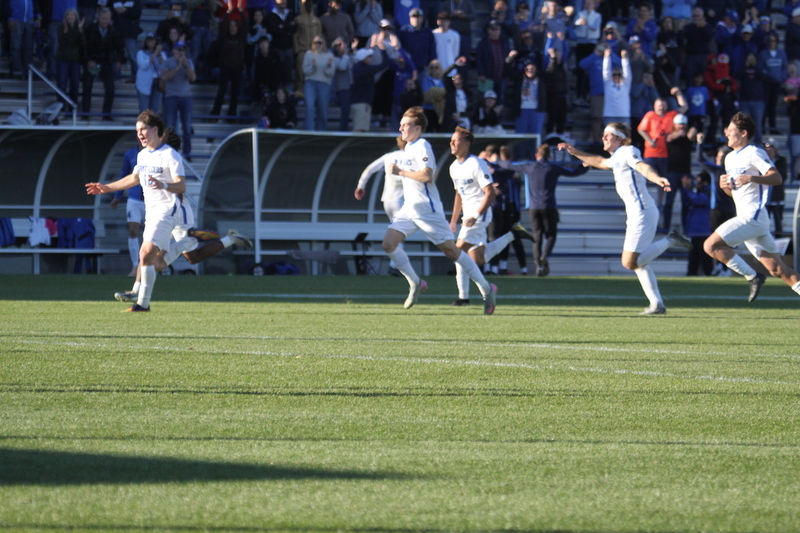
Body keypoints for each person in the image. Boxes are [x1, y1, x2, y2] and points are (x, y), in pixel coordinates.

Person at [86, 112, 251, 311]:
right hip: (153, 212)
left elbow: (181, 186)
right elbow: (134, 178)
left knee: (146, 252)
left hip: (169, 210)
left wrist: (162, 184)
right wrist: (107, 187)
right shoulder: (142, 155)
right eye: (137, 131)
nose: (139, 134)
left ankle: (141, 300)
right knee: (159, 260)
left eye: (143, 129)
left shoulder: (170, 155)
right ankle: (201, 241)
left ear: (156, 130)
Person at [558, 123, 692, 315]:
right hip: (637, 213)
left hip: (643, 212)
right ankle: (657, 304)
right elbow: (599, 161)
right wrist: (574, 151)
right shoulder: (616, 156)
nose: (603, 138)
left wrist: (656, 178)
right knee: (638, 263)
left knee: (630, 263)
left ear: (619, 138)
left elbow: (642, 166)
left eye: (608, 135)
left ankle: (670, 240)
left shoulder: (629, 150)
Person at [381, 108, 497, 314]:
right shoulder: (408, 147)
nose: (400, 128)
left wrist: (399, 172)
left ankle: (486, 288)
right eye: (400, 124)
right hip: (410, 208)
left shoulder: (422, 145)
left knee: (453, 252)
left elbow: (428, 176)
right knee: (388, 244)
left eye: (405, 125)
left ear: (417, 128)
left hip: (427, 210)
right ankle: (415, 283)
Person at [703, 112, 800, 302]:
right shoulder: (729, 158)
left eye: (731, 130)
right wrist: (726, 188)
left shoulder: (754, 152)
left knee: (710, 245)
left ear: (744, 133)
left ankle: (753, 276)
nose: (727, 134)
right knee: (778, 269)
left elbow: (777, 178)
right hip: (752, 220)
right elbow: (737, 193)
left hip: (752, 217)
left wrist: (752, 177)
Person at [448, 128, 534, 304]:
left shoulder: (476, 163)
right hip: (467, 217)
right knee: (478, 258)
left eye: (456, 140)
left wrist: (476, 215)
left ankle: (468, 295)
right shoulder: (453, 167)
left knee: (457, 251)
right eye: (451, 140)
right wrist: (454, 220)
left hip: (479, 215)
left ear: (467, 143)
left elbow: (490, 193)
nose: (452, 143)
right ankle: (514, 234)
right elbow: (458, 194)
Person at [509, 143, 588, 277]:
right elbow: (573, 172)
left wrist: (496, 161)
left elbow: (509, 165)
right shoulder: (553, 167)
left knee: (537, 236)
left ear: (536, 155)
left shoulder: (530, 166)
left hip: (533, 208)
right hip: (549, 206)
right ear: (549, 156)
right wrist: (584, 166)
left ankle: (538, 266)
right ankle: (544, 256)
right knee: (551, 235)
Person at [354, 136, 406, 275]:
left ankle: (396, 264)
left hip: (387, 201)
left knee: (398, 231)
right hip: (401, 201)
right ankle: (394, 266)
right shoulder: (412, 157)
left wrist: (361, 186)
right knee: (400, 233)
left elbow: (369, 169)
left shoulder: (389, 156)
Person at [82, 8, 123, 121]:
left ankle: (106, 114)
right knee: (87, 87)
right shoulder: (90, 29)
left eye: (107, 19)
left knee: (110, 88)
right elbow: (83, 47)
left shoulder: (113, 31)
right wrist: (88, 61)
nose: (105, 21)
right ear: (99, 18)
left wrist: (119, 60)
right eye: (103, 18)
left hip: (106, 62)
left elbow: (119, 47)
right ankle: (85, 114)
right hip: (92, 61)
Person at [110, 145, 145, 277]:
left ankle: (152, 265)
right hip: (134, 199)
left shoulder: (156, 153)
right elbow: (124, 175)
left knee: (152, 234)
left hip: (151, 199)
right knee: (133, 231)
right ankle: (136, 266)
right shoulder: (130, 154)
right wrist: (117, 196)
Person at [160, 40, 196, 161]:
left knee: (186, 127)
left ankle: (187, 154)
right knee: (169, 126)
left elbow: (193, 78)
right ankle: (170, 153)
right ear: (173, 51)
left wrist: (185, 66)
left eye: (183, 50)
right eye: (179, 50)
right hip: (171, 96)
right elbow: (164, 77)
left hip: (185, 97)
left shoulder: (188, 62)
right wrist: (178, 67)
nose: (181, 52)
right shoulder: (168, 62)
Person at [210, 13, 248, 121]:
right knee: (221, 92)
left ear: (237, 27)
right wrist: (227, 13)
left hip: (237, 69)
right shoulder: (224, 38)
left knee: (234, 94)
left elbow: (245, 26)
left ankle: (231, 117)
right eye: (230, 26)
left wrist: (241, 12)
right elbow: (221, 26)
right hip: (225, 68)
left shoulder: (241, 38)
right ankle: (214, 115)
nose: (232, 28)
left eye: (234, 26)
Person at [680, 172, 714, 275]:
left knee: (705, 256)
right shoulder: (698, 192)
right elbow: (687, 202)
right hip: (695, 230)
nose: (697, 184)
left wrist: (688, 190)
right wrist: (685, 189)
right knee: (693, 256)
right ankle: (691, 273)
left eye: (699, 182)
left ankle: (708, 273)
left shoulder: (709, 191)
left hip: (704, 230)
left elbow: (700, 201)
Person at [302, 35, 335, 130]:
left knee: (323, 110)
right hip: (310, 83)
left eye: (319, 43)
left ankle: (321, 132)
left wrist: (328, 66)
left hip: (324, 84)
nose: (317, 45)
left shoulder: (329, 55)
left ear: (323, 44)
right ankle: (309, 131)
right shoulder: (308, 54)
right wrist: (313, 67)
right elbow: (305, 70)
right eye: (315, 43)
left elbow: (331, 73)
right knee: (309, 107)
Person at [55, 8, 84, 111]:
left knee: (75, 85)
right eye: (68, 15)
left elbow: (82, 43)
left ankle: (72, 108)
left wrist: (79, 31)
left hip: (75, 60)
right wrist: (69, 30)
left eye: (72, 15)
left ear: (76, 17)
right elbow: (63, 41)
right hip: (63, 59)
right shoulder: (61, 28)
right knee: (62, 84)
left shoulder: (79, 29)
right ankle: (60, 108)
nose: (70, 17)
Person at [111, 0, 142, 81]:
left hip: (130, 33)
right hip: (117, 32)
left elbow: (137, 13)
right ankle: (116, 74)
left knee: (133, 56)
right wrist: (115, 11)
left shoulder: (136, 1)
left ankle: (136, 76)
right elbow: (110, 13)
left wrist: (125, 10)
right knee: (115, 55)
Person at [135, 33, 165, 114]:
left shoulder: (161, 54)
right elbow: (143, 66)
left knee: (155, 109)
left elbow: (164, 66)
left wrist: (158, 54)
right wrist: (154, 54)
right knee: (144, 110)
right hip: (144, 83)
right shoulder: (140, 53)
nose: (150, 41)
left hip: (157, 82)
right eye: (148, 39)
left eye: (152, 39)